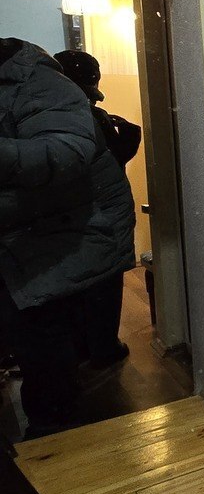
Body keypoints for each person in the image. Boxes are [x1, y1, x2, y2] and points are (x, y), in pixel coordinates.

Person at [0, 39, 136, 433]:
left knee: (65, 332)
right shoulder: (86, 110)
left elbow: (66, 158)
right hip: (68, 236)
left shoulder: (51, 93)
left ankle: (100, 353)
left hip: (81, 233)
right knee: (74, 321)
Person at [54, 48, 142, 368]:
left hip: (73, 215)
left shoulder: (50, 117)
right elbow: (107, 166)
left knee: (80, 281)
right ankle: (103, 347)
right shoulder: (89, 118)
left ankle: (83, 346)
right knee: (103, 280)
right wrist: (128, 143)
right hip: (99, 213)